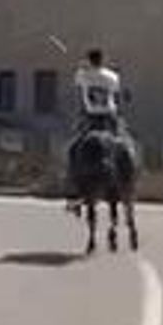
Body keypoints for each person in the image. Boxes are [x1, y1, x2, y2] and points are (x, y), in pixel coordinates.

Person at [65, 49, 126, 214]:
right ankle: (127, 179)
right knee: (123, 145)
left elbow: (78, 81)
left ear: (90, 60)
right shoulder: (112, 76)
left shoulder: (83, 74)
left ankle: (73, 191)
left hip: (91, 118)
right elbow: (116, 92)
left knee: (73, 149)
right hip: (109, 117)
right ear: (102, 60)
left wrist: (82, 67)